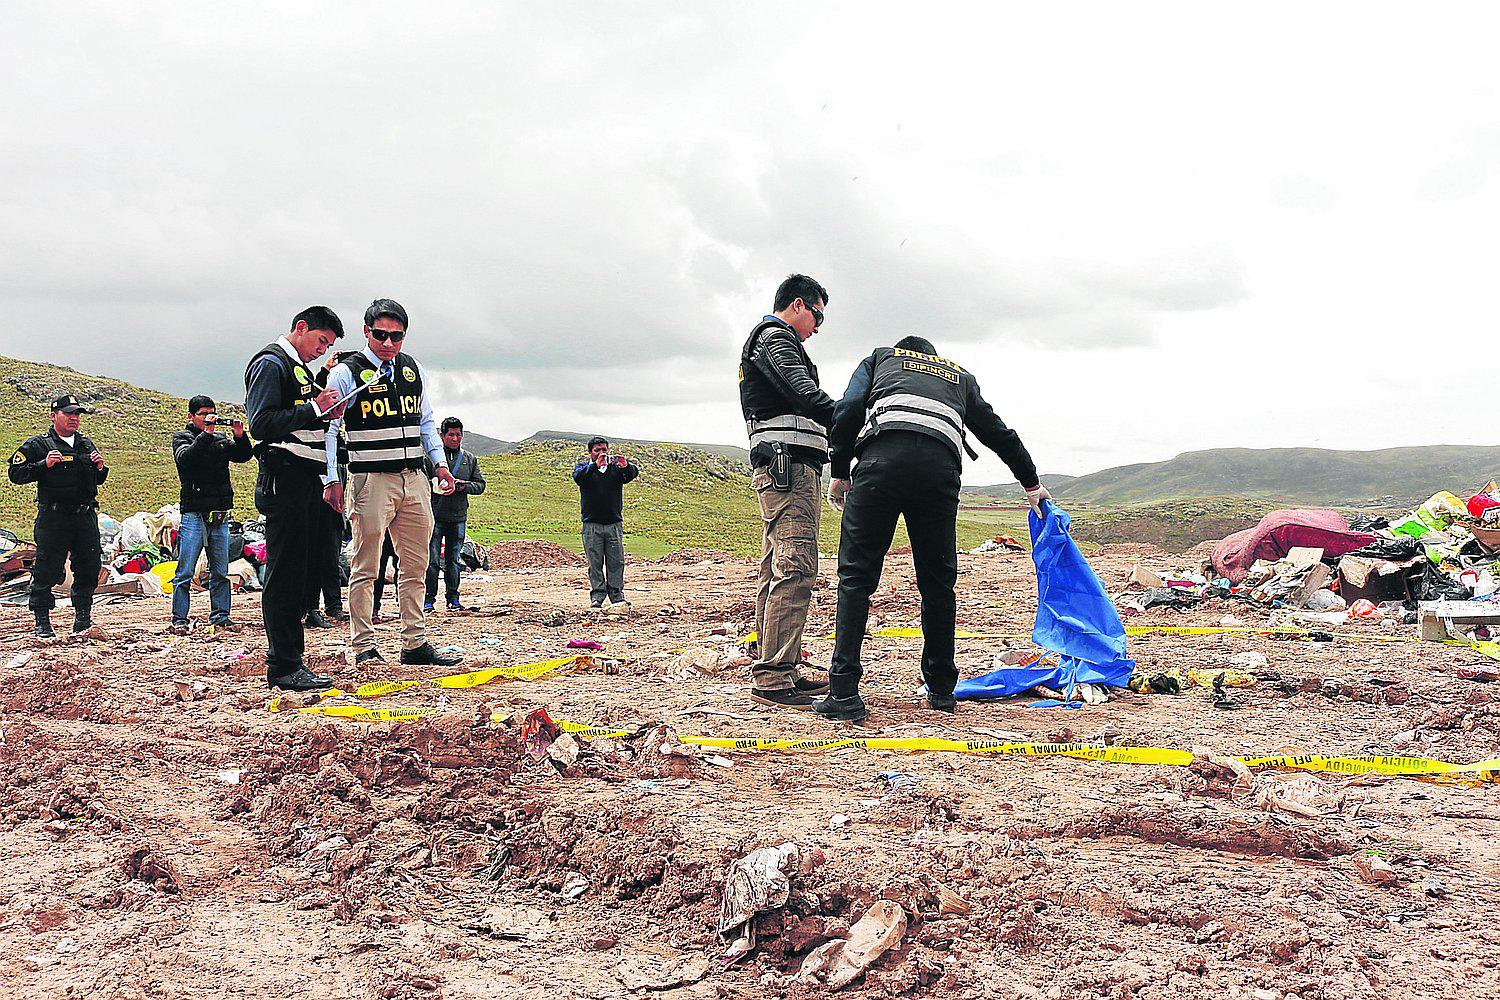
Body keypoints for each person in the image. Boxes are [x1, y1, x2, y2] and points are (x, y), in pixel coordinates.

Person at [814, 336, 1049, 723]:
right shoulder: (959, 376)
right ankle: (941, 692)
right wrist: (1031, 483)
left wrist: (839, 470)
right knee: (938, 584)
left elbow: (850, 407)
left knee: (856, 578)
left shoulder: (880, 359)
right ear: (932, 359)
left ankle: (844, 693)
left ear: (903, 352)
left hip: (880, 463)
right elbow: (998, 433)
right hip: (939, 470)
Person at [321, 298, 461, 667]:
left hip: (413, 478)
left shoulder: (412, 369)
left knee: (415, 564)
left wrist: (440, 465)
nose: (387, 343)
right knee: (366, 565)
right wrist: (331, 478)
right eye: (380, 334)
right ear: (366, 331)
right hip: (370, 479)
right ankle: (364, 646)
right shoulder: (347, 372)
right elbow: (330, 430)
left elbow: (426, 421)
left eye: (395, 336)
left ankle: (414, 642)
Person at [738, 274, 835, 710]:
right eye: (817, 316)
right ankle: (775, 676)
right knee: (796, 565)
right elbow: (806, 395)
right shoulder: (775, 338)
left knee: (777, 566)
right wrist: (851, 414)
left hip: (786, 468)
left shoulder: (774, 340)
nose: (817, 327)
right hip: (788, 469)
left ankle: (778, 666)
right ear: (798, 305)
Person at [244, 305, 347, 691]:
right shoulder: (271, 363)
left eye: (329, 346)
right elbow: (261, 423)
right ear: (301, 328)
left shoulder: (299, 369)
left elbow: (298, 417)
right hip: (284, 477)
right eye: (321, 341)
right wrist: (315, 407)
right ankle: (284, 665)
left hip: (305, 478)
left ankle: (292, 660)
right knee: (285, 573)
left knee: (299, 570)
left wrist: (324, 411)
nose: (322, 350)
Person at [8, 395, 108, 637]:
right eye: (69, 413)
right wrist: (43, 465)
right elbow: (15, 473)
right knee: (47, 569)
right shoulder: (39, 444)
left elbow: (98, 479)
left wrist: (100, 468)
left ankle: (82, 619)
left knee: (88, 567)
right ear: (54, 415)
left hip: (84, 516)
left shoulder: (85, 444)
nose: (74, 418)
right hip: (54, 518)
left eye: (77, 414)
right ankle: (42, 622)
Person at [169, 395, 253, 633]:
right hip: (194, 513)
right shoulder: (182, 438)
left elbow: (242, 456)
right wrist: (206, 434)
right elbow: (186, 459)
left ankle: (221, 616)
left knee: (220, 570)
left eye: (211, 413)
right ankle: (179, 620)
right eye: (203, 414)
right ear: (191, 416)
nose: (208, 418)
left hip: (219, 512)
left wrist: (240, 436)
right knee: (185, 571)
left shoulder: (219, 438)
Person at [425, 417, 486, 611]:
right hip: (435, 516)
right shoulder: (431, 460)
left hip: (458, 517)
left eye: (458, 435)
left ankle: (453, 599)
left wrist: (463, 486)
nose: (454, 438)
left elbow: (480, 485)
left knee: (453, 560)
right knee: (432, 561)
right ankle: (428, 600)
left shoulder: (469, 459)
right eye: (450, 434)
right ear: (442, 435)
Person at [571, 437, 638, 611]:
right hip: (591, 525)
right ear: (590, 453)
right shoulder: (584, 469)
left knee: (616, 562)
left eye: (604, 450)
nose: (601, 453)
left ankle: (617, 595)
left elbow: (631, 475)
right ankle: (597, 596)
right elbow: (579, 478)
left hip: (613, 524)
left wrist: (626, 466)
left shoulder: (615, 469)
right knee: (595, 563)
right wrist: (595, 466)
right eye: (597, 450)